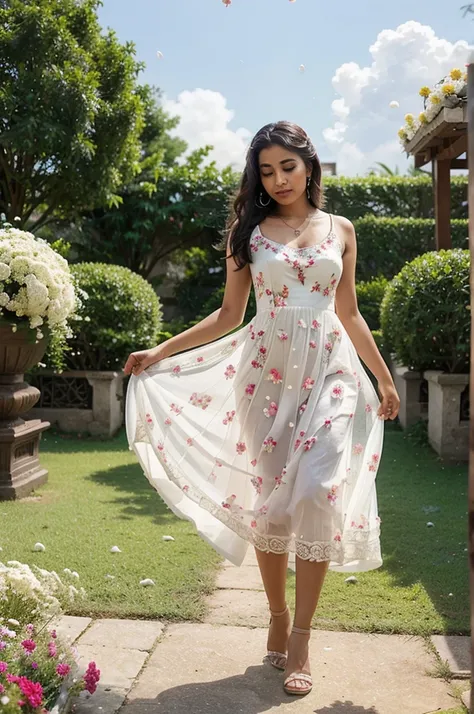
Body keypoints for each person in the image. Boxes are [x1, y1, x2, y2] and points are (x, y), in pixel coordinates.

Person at [124, 120, 400, 697]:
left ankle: (301, 635)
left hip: (331, 368)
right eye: (266, 171)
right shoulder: (246, 233)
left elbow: (347, 312)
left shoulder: (341, 229)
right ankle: (275, 616)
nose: (278, 180)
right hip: (267, 373)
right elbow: (229, 315)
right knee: (271, 508)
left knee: (318, 492)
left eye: (288, 167)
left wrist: (384, 378)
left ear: (310, 166)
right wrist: (162, 349)